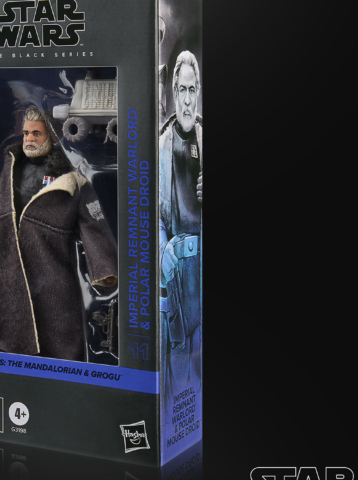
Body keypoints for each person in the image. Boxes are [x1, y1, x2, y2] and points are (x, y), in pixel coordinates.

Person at [0, 106, 118, 361]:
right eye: (26, 133)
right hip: (11, 282)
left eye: (36, 133)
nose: (29, 139)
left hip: (55, 280)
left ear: (52, 137)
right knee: (15, 346)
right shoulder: (8, 179)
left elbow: (93, 224)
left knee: (61, 344)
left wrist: (104, 270)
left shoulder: (70, 178)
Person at [158, 51, 202, 394]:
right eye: (182, 90)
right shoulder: (161, 145)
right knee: (177, 372)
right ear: (174, 93)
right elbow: (150, 214)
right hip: (175, 272)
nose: (187, 100)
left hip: (202, 273)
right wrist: (162, 253)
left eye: (192, 90)